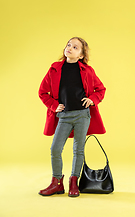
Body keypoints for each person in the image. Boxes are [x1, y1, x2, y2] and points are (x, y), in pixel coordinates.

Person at [38, 37, 106, 197]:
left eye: (75, 47)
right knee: (55, 149)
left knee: (78, 149)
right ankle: (56, 182)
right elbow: (42, 92)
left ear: (81, 55)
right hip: (64, 116)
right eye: (69, 45)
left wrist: (92, 100)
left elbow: (100, 89)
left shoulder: (87, 70)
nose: (70, 48)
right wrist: (54, 106)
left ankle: (73, 181)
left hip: (83, 115)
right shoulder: (54, 69)